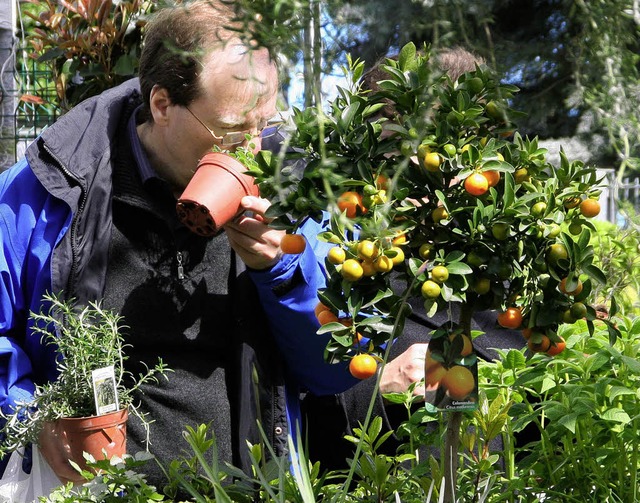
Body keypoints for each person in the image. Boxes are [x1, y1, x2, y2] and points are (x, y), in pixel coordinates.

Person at [0, 0, 359, 486]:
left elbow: (337, 369)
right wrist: (30, 413)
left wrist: (280, 270)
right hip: (95, 491)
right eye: (232, 134)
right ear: (162, 104)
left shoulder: (290, 192)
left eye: (266, 125)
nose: (254, 152)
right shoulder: (53, 186)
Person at [300, 47, 527, 469]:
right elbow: (292, 404)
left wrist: (477, 378)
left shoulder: (516, 263)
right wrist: (374, 386)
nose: (433, 185)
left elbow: (547, 400)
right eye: (401, 160)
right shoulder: (337, 266)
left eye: (451, 161)